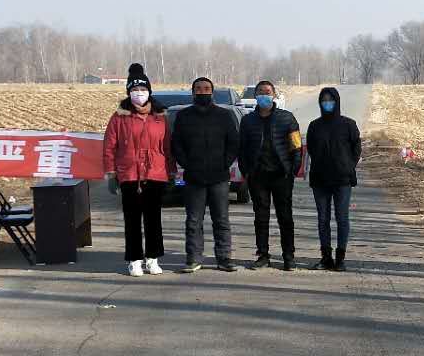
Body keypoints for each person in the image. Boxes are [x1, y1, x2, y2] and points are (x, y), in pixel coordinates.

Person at [102, 64, 172, 276]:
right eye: (134, 90)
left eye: (142, 90)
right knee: (132, 219)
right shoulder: (119, 117)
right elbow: (109, 146)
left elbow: (168, 146)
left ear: (149, 91)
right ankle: (134, 259)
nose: (139, 93)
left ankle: (152, 258)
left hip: (155, 173)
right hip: (129, 174)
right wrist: (111, 173)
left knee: (153, 219)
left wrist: (171, 171)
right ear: (128, 92)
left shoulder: (160, 117)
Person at [171, 77, 239, 272]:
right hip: (193, 177)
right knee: (193, 221)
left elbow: (234, 142)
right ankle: (193, 258)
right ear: (193, 92)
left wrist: (225, 163)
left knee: (221, 220)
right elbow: (177, 144)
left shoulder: (224, 115)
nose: (202, 92)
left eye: (206, 88)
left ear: (212, 92)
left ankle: (224, 258)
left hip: (219, 177)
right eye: (199, 89)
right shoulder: (184, 116)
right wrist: (187, 164)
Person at [236, 79, 302, 270]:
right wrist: (246, 171)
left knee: (285, 217)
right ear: (255, 96)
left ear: (274, 95)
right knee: (261, 218)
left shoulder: (287, 118)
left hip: (281, 175)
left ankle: (289, 256)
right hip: (258, 176)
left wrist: (292, 169)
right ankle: (263, 255)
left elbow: (296, 146)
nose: (264, 95)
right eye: (260, 92)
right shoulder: (247, 120)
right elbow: (242, 148)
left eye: (268, 92)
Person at [305, 86, 361, 271]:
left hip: (342, 180)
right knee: (323, 219)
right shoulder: (314, 126)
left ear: (337, 102)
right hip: (320, 179)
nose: (327, 103)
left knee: (342, 218)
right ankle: (326, 258)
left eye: (330, 100)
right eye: (324, 100)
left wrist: (348, 165)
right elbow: (311, 149)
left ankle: (340, 258)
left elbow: (356, 147)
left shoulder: (348, 124)